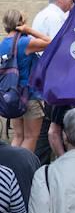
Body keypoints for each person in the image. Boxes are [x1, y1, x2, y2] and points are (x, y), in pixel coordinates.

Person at [1, 10, 52, 151]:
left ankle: (12, 168)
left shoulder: (4, 43)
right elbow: (52, 42)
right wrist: (30, 30)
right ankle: (23, 170)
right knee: (30, 137)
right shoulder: (25, 42)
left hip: (13, 95)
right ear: (20, 24)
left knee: (18, 136)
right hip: (30, 95)